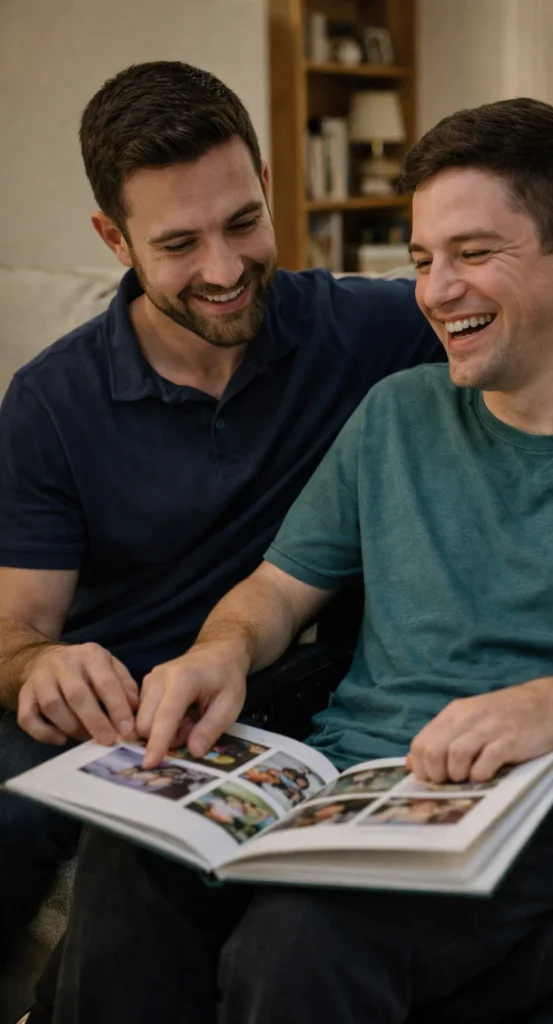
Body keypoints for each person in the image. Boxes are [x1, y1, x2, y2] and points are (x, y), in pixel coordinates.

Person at [47, 95, 553, 1024]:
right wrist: (217, 653)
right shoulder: (395, 413)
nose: (435, 290)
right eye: (423, 260)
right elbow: (272, 590)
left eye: (474, 253)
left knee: (303, 937)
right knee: (130, 858)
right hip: (341, 778)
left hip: (543, 799)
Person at [0, 60, 443, 982]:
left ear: (269, 185)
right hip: (104, 715)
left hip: (267, 694)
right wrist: (39, 665)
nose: (225, 269)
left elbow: (530, 299)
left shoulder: (369, 330)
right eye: (178, 244)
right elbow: (15, 629)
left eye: (244, 222)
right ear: (113, 239)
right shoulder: (51, 401)